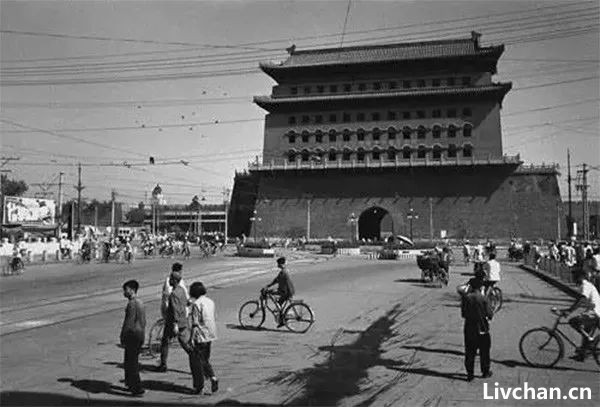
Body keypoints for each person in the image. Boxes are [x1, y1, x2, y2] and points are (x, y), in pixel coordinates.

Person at [460, 272, 494, 381]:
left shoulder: (466, 298)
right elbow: (490, 314)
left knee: (469, 352)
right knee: (484, 352)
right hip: (482, 327)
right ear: (481, 287)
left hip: (469, 327)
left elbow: (463, 314)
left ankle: (470, 374)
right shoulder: (484, 299)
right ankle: (485, 371)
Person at [187, 282, 219, 395]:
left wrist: (191, 338)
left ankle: (211, 378)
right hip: (210, 334)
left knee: (200, 361)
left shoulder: (196, 304)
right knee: (205, 358)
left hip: (201, 335)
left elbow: (195, 324)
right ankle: (209, 379)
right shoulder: (210, 301)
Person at [562, 269, 600, 361]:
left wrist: (569, 311)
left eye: (575, 277)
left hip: (595, 312)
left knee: (573, 322)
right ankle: (582, 354)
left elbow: (581, 299)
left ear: (580, 277)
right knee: (585, 331)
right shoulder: (585, 285)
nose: (573, 279)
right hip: (593, 311)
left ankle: (590, 340)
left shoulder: (585, 285)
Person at [157, 265, 188, 372]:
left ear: (174, 281)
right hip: (183, 320)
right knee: (184, 343)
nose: (169, 280)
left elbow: (174, 309)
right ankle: (196, 358)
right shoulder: (182, 290)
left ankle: (163, 364)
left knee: (165, 341)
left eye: (171, 279)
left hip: (173, 322)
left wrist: (174, 324)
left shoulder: (173, 294)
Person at [120, 280, 146, 396]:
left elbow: (128, 323)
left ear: (131, 290)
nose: (124, 292)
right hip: (140, 334)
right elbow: (144, 321)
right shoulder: (140, 302)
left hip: (132, 335)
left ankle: (137, 387)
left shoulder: (131, 304)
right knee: (132, 361)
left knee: (131, 363)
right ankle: (130, 384)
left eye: (125, 290)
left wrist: (123, 336)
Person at [264, 257, 295, 327]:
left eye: (278, 263)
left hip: (286, 291)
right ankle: (281, 318)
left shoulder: (283, 272)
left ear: (281, 264)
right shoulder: (285, 271)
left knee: (277, 304)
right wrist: (269, 286)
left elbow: (276, 280)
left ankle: (282, 320)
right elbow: (277, 280)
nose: (277, 265)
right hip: (288, 290)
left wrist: (268, 287)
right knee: (279, 303)